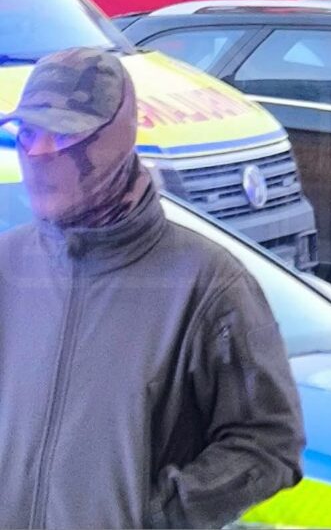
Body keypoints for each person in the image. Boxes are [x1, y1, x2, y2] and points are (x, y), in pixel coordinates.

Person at [0, 47, 304, 530]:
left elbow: (269, 441)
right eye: (29, 133)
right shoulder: (8, 267)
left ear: (115, 140)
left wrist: (158, 516)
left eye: (62, 134)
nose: (38, 154)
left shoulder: (206, 284)